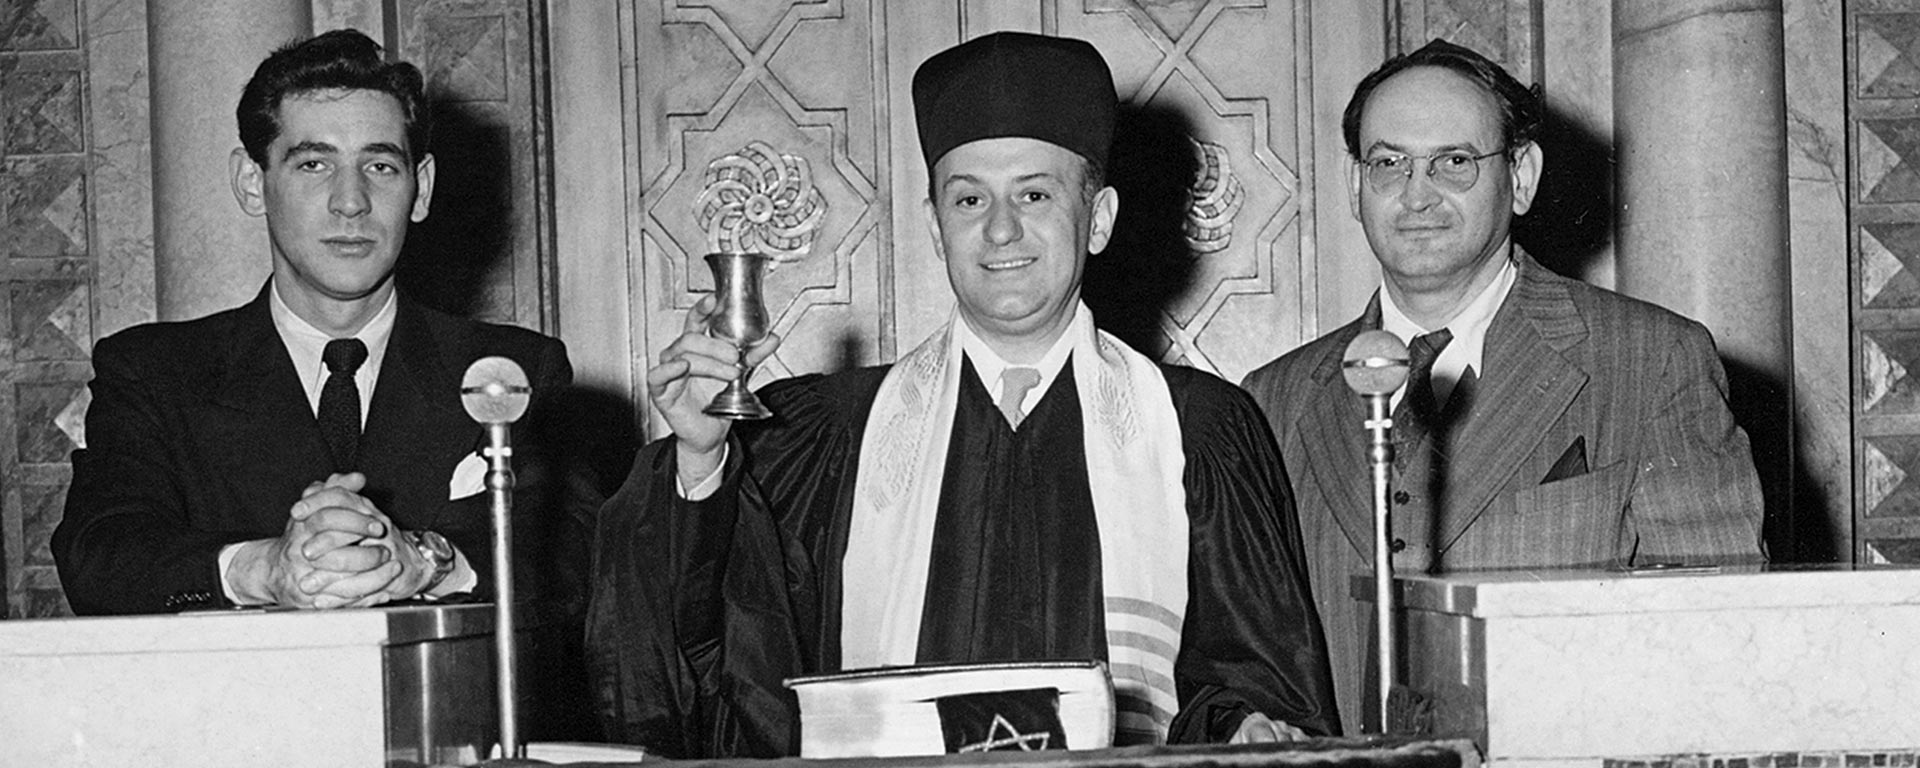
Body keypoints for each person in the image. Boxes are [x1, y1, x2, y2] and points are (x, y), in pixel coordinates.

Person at [586, 31, 1337, 756]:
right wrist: (698, 460)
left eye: (1035, 195)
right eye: (970, 201)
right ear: (937, 228)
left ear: (1099, 219)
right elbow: (714, 669)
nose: (1001, 231)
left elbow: (1259, 682)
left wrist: (1245, 725)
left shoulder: (1198, 430)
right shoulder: (824, 436)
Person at [1240, 39, 1766, 734]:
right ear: (1353, 185)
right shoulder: (1273, 399)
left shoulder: (1652, 361)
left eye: (1454, 162)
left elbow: (1720, 643)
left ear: (1521, 176)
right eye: (1388, 163)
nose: (1417, 193)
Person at [53, 29, 573, 616]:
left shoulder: (511, 371)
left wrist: (425, 561)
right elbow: (100, 553)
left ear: (420, 189)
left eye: (379, 164)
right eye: (313, 164)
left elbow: (571, 555)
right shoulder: (155, 372)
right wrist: (264, 568)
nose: (349, 201)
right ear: (254, 184)